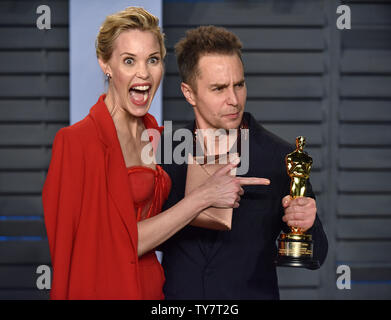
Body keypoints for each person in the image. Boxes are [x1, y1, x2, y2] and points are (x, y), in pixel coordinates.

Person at [42, 8, 269, 300]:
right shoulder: (77, 142)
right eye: (128, 61)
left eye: (153, 60)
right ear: (105, 64)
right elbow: (114, 245)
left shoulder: (162, 138)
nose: (143, 73)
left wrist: (295, 214)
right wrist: (203, 197)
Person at [159, 26, 328, 299]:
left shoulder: (281, 158)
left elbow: (317, 254)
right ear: (189, 93)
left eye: (239, 84)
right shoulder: (164, 153)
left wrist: (309, 225)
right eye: (219, 88)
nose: (234, 100)